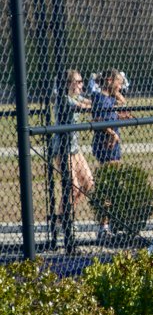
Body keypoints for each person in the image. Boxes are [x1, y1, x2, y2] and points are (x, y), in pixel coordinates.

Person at [52, 69, 94, 217]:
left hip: (75, 148)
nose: (81, 85)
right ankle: (61, 220)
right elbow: (83, 107)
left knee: (88, 184)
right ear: (68, 84)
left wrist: (103, 98)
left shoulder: (75, 96)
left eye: (82, 81)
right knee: (73, 187)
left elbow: (89, 102)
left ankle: (64, 216)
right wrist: (96, 106)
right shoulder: (63, 99)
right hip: (62, 149)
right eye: (78, 82)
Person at [91, 68, 126, 240]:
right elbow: (97, 120)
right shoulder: (99, 98)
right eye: (118, 82)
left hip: (114, 147)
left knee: (114, 185)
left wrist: (119, 98)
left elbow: (121, 109)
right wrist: (112, 133)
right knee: (108, 185)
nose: (120, 86)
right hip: (105, 146)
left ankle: (110, 223)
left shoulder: (111, 98)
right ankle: (103, 226)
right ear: (110, 80)